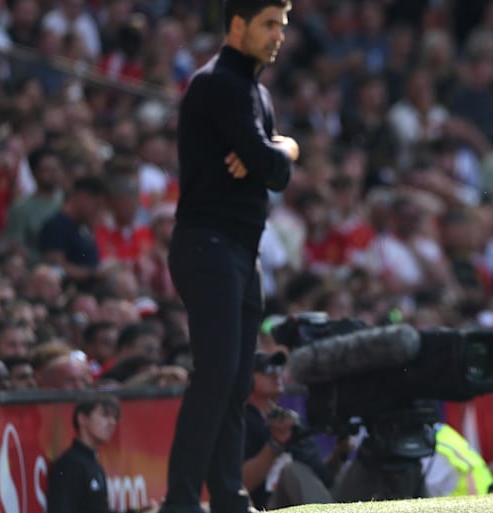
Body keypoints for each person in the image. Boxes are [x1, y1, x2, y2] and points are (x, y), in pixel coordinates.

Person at [159, 1, 299, 512]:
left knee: (237, 380)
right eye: (268, 23)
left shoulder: (256, 93)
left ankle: (227, 496)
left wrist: (280, 149)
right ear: (237, 25)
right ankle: (180, 500)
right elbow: (270, 165)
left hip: (243, 251)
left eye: (282, 25)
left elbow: (272, 167)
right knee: (216, 374)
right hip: (207, 243)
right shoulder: (217, 83)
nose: (278, 34)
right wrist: (276, 153)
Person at [243, 351, 336, 508]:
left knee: (364, 466)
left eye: (278, 369)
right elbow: (240, 483)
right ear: (248, 378)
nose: (275, 375)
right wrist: (275, 444)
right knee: (292, 470)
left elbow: (322, 477)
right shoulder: (241, 421)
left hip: (315, 501)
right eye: (267, 370)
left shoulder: (290, 419)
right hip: (266, 505)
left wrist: (340, 453)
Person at [46, 394, 121, 513]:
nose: (112, 422)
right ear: (83, 419)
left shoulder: (94, 464)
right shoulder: (69, 465)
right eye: (105, 415)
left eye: (115, 417)